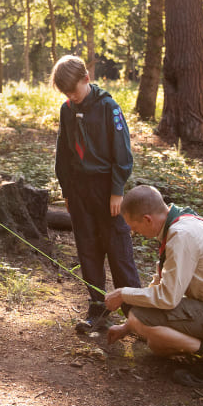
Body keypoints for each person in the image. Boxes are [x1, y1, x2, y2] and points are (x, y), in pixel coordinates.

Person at [105, 185, 203, 387]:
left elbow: (168, 298)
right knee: (157, 344)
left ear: (147, 220)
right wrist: (127, 328)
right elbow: (163, 281)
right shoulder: (181, 221)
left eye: (134, 229)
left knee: (138, 317)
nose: (136, 234)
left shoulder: (182, 235)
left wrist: (123, 294)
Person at [52, 54, 141, 333]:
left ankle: (136, 316)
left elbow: (123, 153)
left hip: (106, 189)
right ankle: (97, 310)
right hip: (79, 190)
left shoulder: (108, 107)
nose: (71, 96)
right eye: (65, 93)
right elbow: (63, 151)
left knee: (118, 250)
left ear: (86, 79)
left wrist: (117, 190)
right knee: (88, 250)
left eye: (73, 90)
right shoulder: (67, 109)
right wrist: (67, 189)